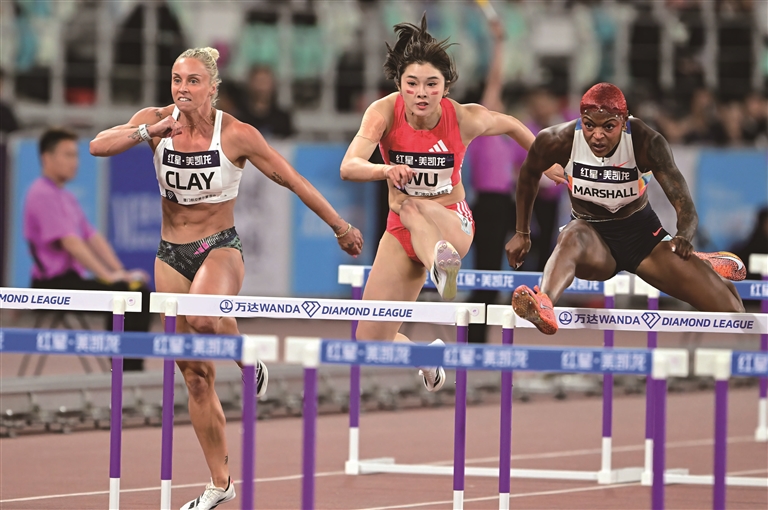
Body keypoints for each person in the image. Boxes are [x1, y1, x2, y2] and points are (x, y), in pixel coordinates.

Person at [90, 47, 363, 510]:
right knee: (196, 378)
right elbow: (98, 146)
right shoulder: (156, 120)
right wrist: (147, 132)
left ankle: (243, 352)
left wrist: (339, 226)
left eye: (193, 81)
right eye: (177, 79)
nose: (183, 89)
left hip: (219, 248)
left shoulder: (236, 134)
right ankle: (221, 482)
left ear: (212, 88)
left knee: (201, 319)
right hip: (169, 254)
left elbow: (292, 179)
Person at [340, 15, 564, 386]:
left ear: (445, 88)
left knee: (411, 205)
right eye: (412, 84)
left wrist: (544, 161)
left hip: (452, 221)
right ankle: (427, 356)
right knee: (369, 340)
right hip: (402, 231)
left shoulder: (462, 118)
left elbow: (511, 124)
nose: (421, 93)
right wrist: (386, 169)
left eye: (432, 84)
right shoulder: (382, 113)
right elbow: (349, 166)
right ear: (400, 85)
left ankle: (441, 267)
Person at [506, 82, 746, 335]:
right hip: (593, 239)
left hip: (643, 240)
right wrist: (522, 233)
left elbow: (683, 202)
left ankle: (701, 265)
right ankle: (544, 303)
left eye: (608, 127)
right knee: (572, 234)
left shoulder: (646, 142)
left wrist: (684, 236)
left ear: (624, 121)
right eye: (589, 125)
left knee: (732, 312)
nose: (597, 135)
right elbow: (528, 174)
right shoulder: (558, 140)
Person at [23, 128, 151, 371]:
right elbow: (72, 243)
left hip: (71, 279)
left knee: (137, 291)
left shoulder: (66, 197)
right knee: (123, 294)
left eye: (76, 155)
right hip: (52, 285)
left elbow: (92, 237)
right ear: (47, 158)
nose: (75, 162)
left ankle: (131, 369)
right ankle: (123, 370)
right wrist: (109, 277)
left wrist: (122, 272)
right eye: (68, 155)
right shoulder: (41, 193)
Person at [465, 18, 519, 343]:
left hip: (504, 204)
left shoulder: (507, 139)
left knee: (495, 274)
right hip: (487, 205)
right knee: (486, 274)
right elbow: (496, 80)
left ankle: (480, 338)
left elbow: (517, 171)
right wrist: (499, 43)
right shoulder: (482, 131)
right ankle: (474, 339)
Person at [239, 64, 295, 139]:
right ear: (250, 84)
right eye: (258, 81)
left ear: (273, 84)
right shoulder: (239, 117)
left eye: (265, 81)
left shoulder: (283, 118)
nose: (262, 86)